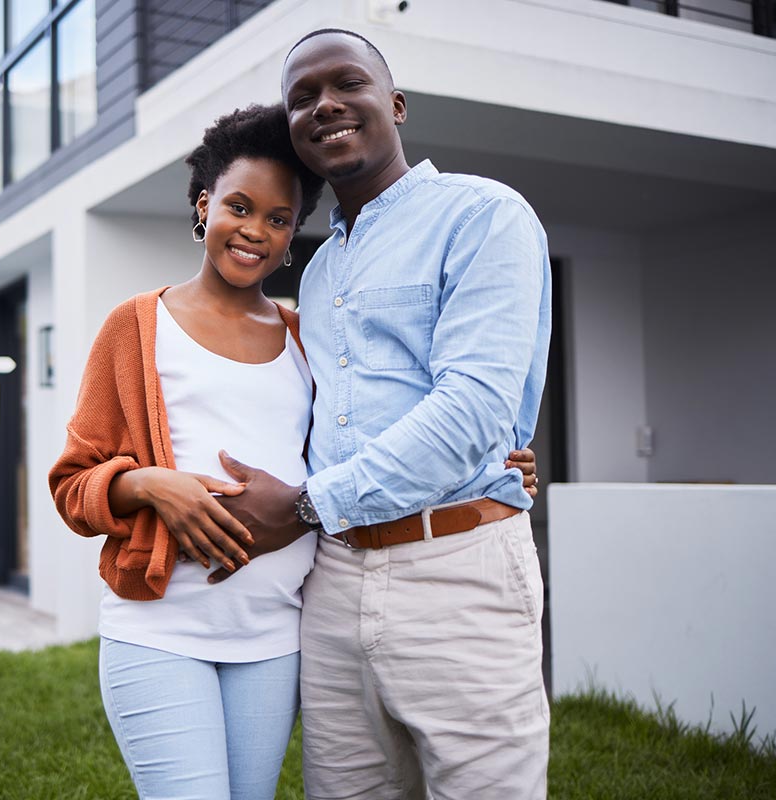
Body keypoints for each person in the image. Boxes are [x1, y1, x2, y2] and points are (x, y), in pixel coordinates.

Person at [49, 104, 539, 798]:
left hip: (277, 636)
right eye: (239, 207)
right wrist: (154, 485)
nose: (254, 230)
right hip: (163, 627)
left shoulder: (306, 334)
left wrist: (498, 462)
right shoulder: (136, 325)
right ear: (203, 205)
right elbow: (74, 482)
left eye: (278, 219)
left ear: (291, 238)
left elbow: (365, 426)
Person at [211, 29, 554, 800]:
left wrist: (303, 506)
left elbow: (470, 410)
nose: (325, 105)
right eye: (302, 98)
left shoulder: (482, 215)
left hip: (455, 568)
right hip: (332, 583)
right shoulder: (319, 266)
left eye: (347, 84)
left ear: (394, 104)